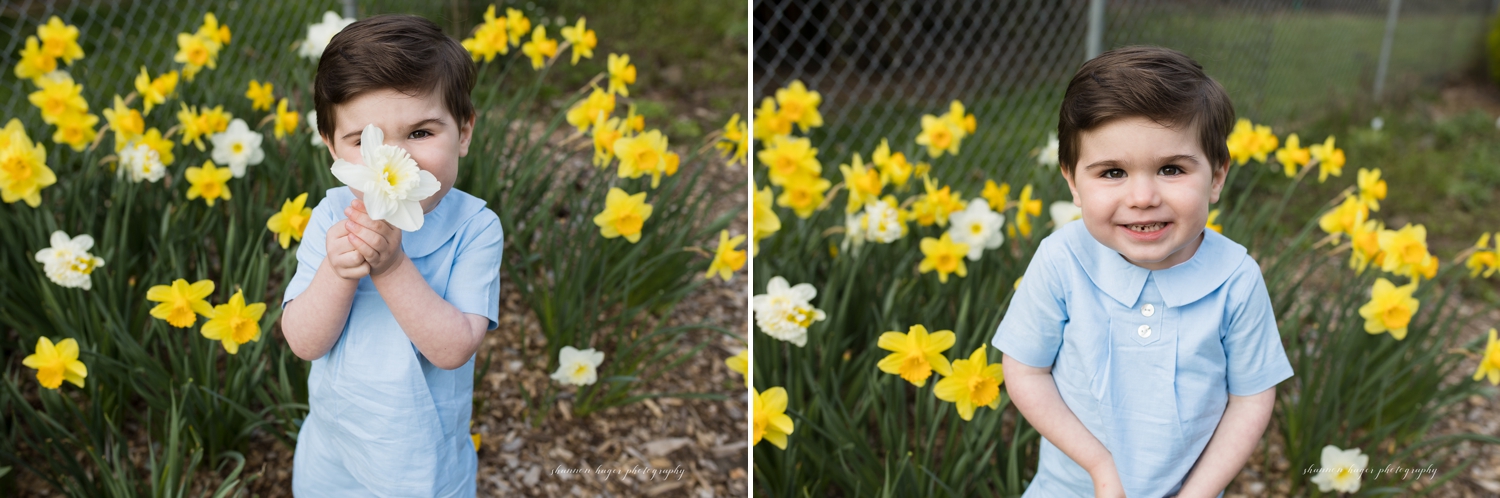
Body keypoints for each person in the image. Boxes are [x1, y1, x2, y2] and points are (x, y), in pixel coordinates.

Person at [992, 46, 1293, 497]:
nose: (1142, 196)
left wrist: (1197, 493)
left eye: (1171, 169)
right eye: (1112, 172)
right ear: (1073, 182)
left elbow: (1250, 398)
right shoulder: (1062, 260)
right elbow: (1025, 370)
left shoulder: (1236, 278)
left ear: (1215, 177)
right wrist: (1098, 465)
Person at [280, 14, 503, 496]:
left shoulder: (475, 229)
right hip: (333, 454)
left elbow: (454, 349)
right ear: (334, 151)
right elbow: (304, 342)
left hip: (421, 467)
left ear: (463, 132)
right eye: (365, 142)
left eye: (421, 133)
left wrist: (393, 267)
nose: (393, 160)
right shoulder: (333, 214)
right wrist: (337, 274)